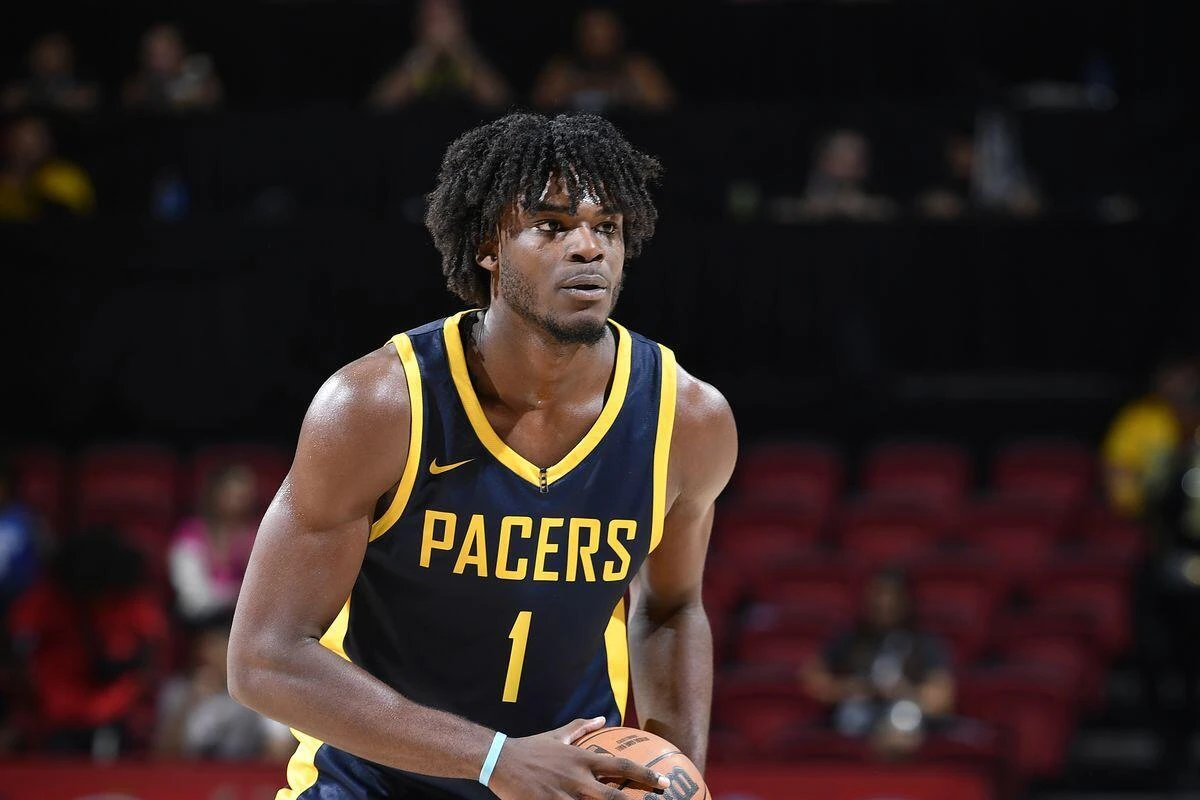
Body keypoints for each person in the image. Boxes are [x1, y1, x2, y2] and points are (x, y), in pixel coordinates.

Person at [228, 112, 737, 799]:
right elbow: (265, 658)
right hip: (369, 787)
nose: (588, 248)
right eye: (552, 226)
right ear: (488, 245)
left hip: (562, 785)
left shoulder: (688, 419)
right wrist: (496, 759)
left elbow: (672, 610)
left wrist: (678, 776)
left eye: (607, 227)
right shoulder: (379, 406)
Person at [6, 526, 167, 755]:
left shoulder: (130, 600)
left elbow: (152, 646)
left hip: (113, 700)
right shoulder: (48, 599)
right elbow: (18, 639)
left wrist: (128, 670)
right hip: (58, 699)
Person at [801, 568, 954, 759]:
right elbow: (813, 682)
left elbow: (941, 699)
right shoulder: (848, 640)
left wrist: (902, 691)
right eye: (878, 595)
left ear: (905, 600)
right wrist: (856, 688)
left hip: (904, 723)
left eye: (891, 596)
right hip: (854, 724)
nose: (883, 603)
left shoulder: (924, 643)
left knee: (904, 717)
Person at [157, 611, 294, 761]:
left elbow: (280, 749)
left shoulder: (261, 689)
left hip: (243, 771)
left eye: (216, 647)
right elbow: (162, 753)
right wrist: (191, 700)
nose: (208, 656)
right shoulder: (179, 689)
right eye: (203, 648)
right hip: (189, 772)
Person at [1103, 353, 1200, 518]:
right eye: (1173, 377)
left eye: (1189, 379)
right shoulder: (1140, 419)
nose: (1181, 386)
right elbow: (1117, 477)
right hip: (1152, 513)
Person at [368, 0, 510, 111]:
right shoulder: (396, 45)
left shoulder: (484, 44)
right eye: (431, 18)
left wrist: (457, 48)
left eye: (447, 16)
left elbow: (500, 102)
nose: (440, 25)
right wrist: (428, 51)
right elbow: (380, 104)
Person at [532, 8, 674, 113]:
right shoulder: (562, 67)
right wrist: (578, 86)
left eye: (606, 36)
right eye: (592, 37)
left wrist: (621, 91)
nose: (600, 43)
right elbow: (541, 103)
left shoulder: (637, 67)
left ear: (619, 36)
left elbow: (662, 102)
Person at [169, 464, 259, 622]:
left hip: (245, 619)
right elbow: (192, 598)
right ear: (216, 496)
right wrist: (233, 596)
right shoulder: (191, 535)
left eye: (245, 497)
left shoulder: (257, 535)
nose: (241, 504)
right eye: (234, 496)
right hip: (202, 620)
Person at [0, 115, 95, 221]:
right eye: (21, 139)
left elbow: (81, 214)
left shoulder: (67, 179)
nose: (29, 148)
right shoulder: (4, 187)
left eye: (36, 137)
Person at [794, 130, 896, 222]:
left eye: (857, 164)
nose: (850, 172)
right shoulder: (802, 207)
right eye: (842, 163)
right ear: (824, 161)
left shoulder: (877, 207)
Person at [122, 23, 223, 112]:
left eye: (165, 54)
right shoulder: (145, 81)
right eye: (153, 55)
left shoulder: (197, 71)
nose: (158, 62)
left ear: (179, 51)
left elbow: (213, 95)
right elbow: (129, 98)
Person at [1, 32, 99, 113]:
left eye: (52, 56)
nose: (44, 63)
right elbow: (10, 101)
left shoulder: (82, 85)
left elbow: (84, 101)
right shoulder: (25, 85)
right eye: (40, 56)